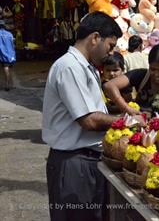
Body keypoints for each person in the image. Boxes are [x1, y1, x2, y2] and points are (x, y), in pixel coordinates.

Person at [42, 12, 128, 221]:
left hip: (86, 161)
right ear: (95, 38)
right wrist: (129, 122)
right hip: (73, 164)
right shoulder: (69, 67)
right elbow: (89, 120)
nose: (111, 52)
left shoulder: (86, 67)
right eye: (110, 45)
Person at [0, 19, 16, 91]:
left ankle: (6, 84)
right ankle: (9, 84)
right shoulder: (10, 34)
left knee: (5, 68)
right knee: (9, 69)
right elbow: (13, 45)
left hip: (2, 53)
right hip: (10, 54)